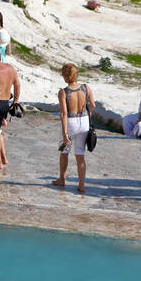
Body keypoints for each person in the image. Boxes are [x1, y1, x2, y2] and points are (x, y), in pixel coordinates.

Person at [55, 63, 94, 194]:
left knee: (64, 151)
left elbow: (64, 113)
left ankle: (62, 179)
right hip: (84, 121)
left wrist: (65, 133)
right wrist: (89, 114)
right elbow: (93, 105)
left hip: (71, 122)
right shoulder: (85, 88)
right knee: (80, 155)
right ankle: (81, 185)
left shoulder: (63, 92)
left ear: (65, 76)